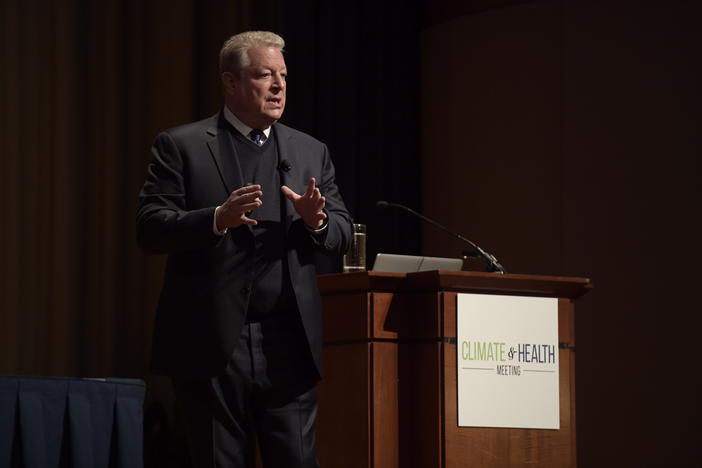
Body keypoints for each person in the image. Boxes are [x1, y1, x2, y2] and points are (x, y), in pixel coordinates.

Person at [137, 30, 352, 467]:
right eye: (263, 75)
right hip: (213, 344)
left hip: (287, 344)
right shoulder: (182, 145)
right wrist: (217, 218)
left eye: (283, 76)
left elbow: (344, 232)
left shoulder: (310, 150)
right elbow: (150, 229)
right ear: (230, 83)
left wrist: (319, 221)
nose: (278, 86)